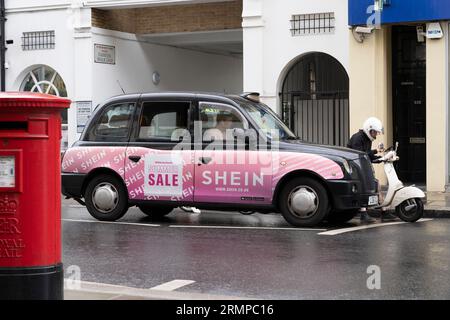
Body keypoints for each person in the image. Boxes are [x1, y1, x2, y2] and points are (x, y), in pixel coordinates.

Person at [347, 117, 397, 223]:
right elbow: (360, 156)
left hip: (363, 167)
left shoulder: (367, 139)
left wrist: (382, 158)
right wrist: (376, 152)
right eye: (375, 132)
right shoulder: (358, 138)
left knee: (377, 185)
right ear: (369, 130)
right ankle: (363, 214)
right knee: (363, 187)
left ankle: (384, 212)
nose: (376, 135)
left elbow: (367, 156)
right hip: (354, 169)